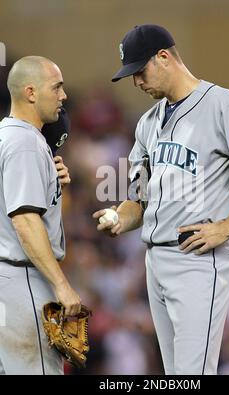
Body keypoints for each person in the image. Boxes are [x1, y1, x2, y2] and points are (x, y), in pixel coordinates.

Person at [93, 25, 229, 375]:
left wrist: (228, 226)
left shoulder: (221, 104)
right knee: (175, 374)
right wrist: (119, 218)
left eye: (140, 71)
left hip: (197, 259)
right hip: (154, 260)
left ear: (164, 57)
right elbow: (138, 198)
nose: (136, 82)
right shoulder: (147, 123)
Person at [0, 56, 81, 375]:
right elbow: (25, 220)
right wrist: (61, 285)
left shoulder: (6, 135)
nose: (63, 95)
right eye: (56, 87)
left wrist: (50, 182)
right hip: (24, 278)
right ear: (30, 92)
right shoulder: (25, 143)